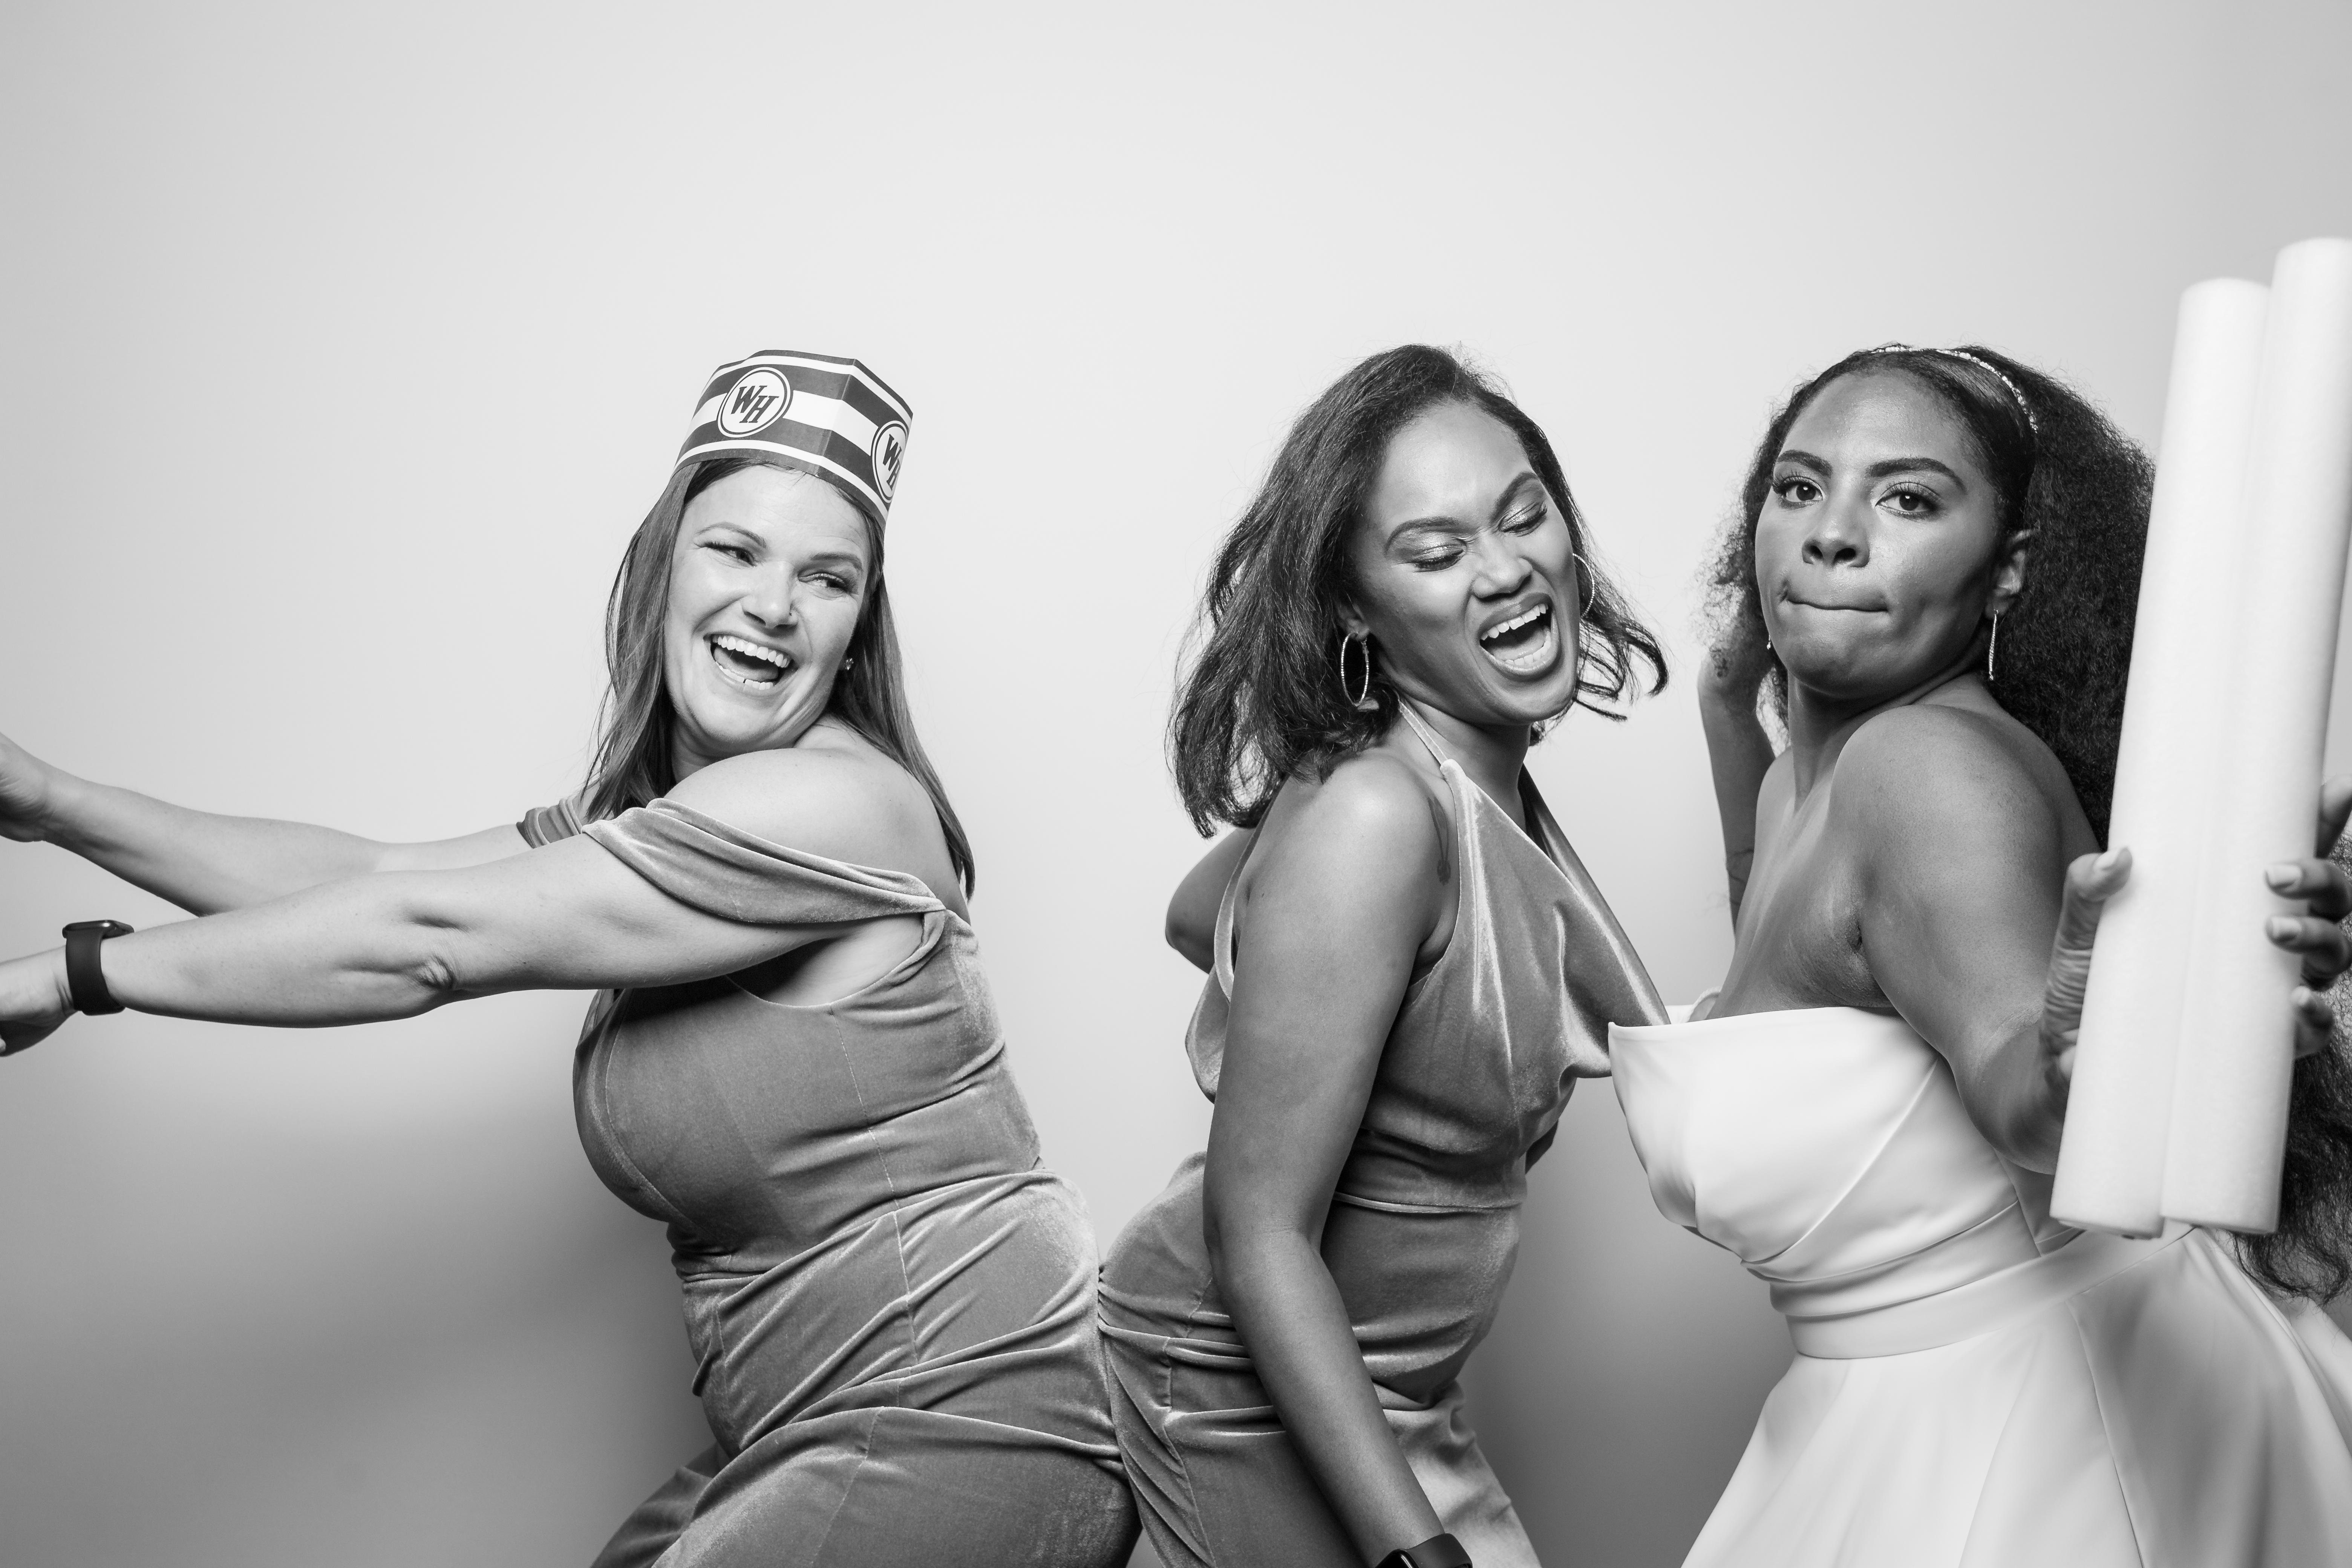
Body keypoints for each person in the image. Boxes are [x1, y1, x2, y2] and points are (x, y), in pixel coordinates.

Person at [0, 351, 1137, 1568]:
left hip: (973, 1413)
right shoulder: (649, 820)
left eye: (828, 578)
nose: (775, 605)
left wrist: (77, 973)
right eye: (736, 551)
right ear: (662, 571)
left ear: (857, 631)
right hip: (809, 1418)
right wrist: (56, 802)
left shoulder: (835, 808)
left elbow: (429, 942)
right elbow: (378, 879)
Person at [1615, 343, 2352, 1566]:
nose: (1832, 534)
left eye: (1908, 499)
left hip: (2043, 1444)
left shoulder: (1919, 773)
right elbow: (1799, 958)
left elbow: (2022, 1082)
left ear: (2008, 569)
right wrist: (1726, 713)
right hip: (1909, 1414)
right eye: (1799, 488)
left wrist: (2091, 1068)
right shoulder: (1809, 779)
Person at [1098, 345, 1670, 1568]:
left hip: (1395, 1387)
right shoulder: (1376, 814)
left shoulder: (1455, 785)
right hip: (1244, 1389)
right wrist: (1418, 1556)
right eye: (1435, 550)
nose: (1505, 568)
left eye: (1523, 515)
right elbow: (1257, 1234)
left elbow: (1208, 913)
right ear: (1355, 607)